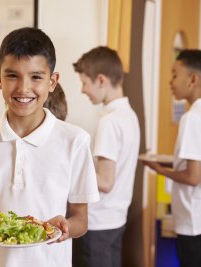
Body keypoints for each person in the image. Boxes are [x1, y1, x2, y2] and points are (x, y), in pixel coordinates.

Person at [0, 27, 100, 267]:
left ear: (52, 81)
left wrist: (66, 226)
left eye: (36, 77)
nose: (23, 88)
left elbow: (81, 219)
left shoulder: (75, 141)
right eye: (12, 76)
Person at [143, 49, 201, 267]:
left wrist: (158, 169)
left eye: (175, 74)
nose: (170, 81)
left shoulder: (192, 118)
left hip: (197, 221)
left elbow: (193, 177)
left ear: (193, 79)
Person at [71, 46, 140, 267]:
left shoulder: (109, 122)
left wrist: (70, 167)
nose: (83, 90)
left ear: (101, 80)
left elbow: (106, 182)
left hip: (99, 223)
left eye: (84, 83)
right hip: (116, 219)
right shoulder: (129, 115)